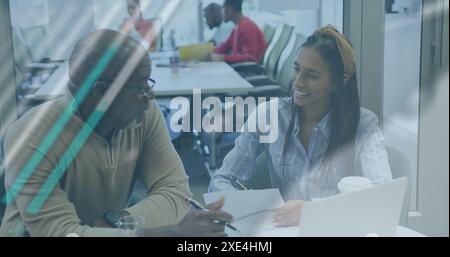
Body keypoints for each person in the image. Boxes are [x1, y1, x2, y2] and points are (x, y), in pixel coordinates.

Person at [0, 29, 232, 237]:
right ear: (100, 91)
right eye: (139, 87)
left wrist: (116, 222)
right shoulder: (31, 136)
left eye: (148, 83)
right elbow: (62, 234)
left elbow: (176, 193)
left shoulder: (144, 114)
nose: (150, 95)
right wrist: (170, 232)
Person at [209, 25, 392, 227]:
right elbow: (221, 179)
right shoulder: (269, 116)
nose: (298, 82)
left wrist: (314, 210)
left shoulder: (363, 126)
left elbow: (382, 199)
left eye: (312, 76)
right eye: (296, 69)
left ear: (340, 81)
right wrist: (244, 206)